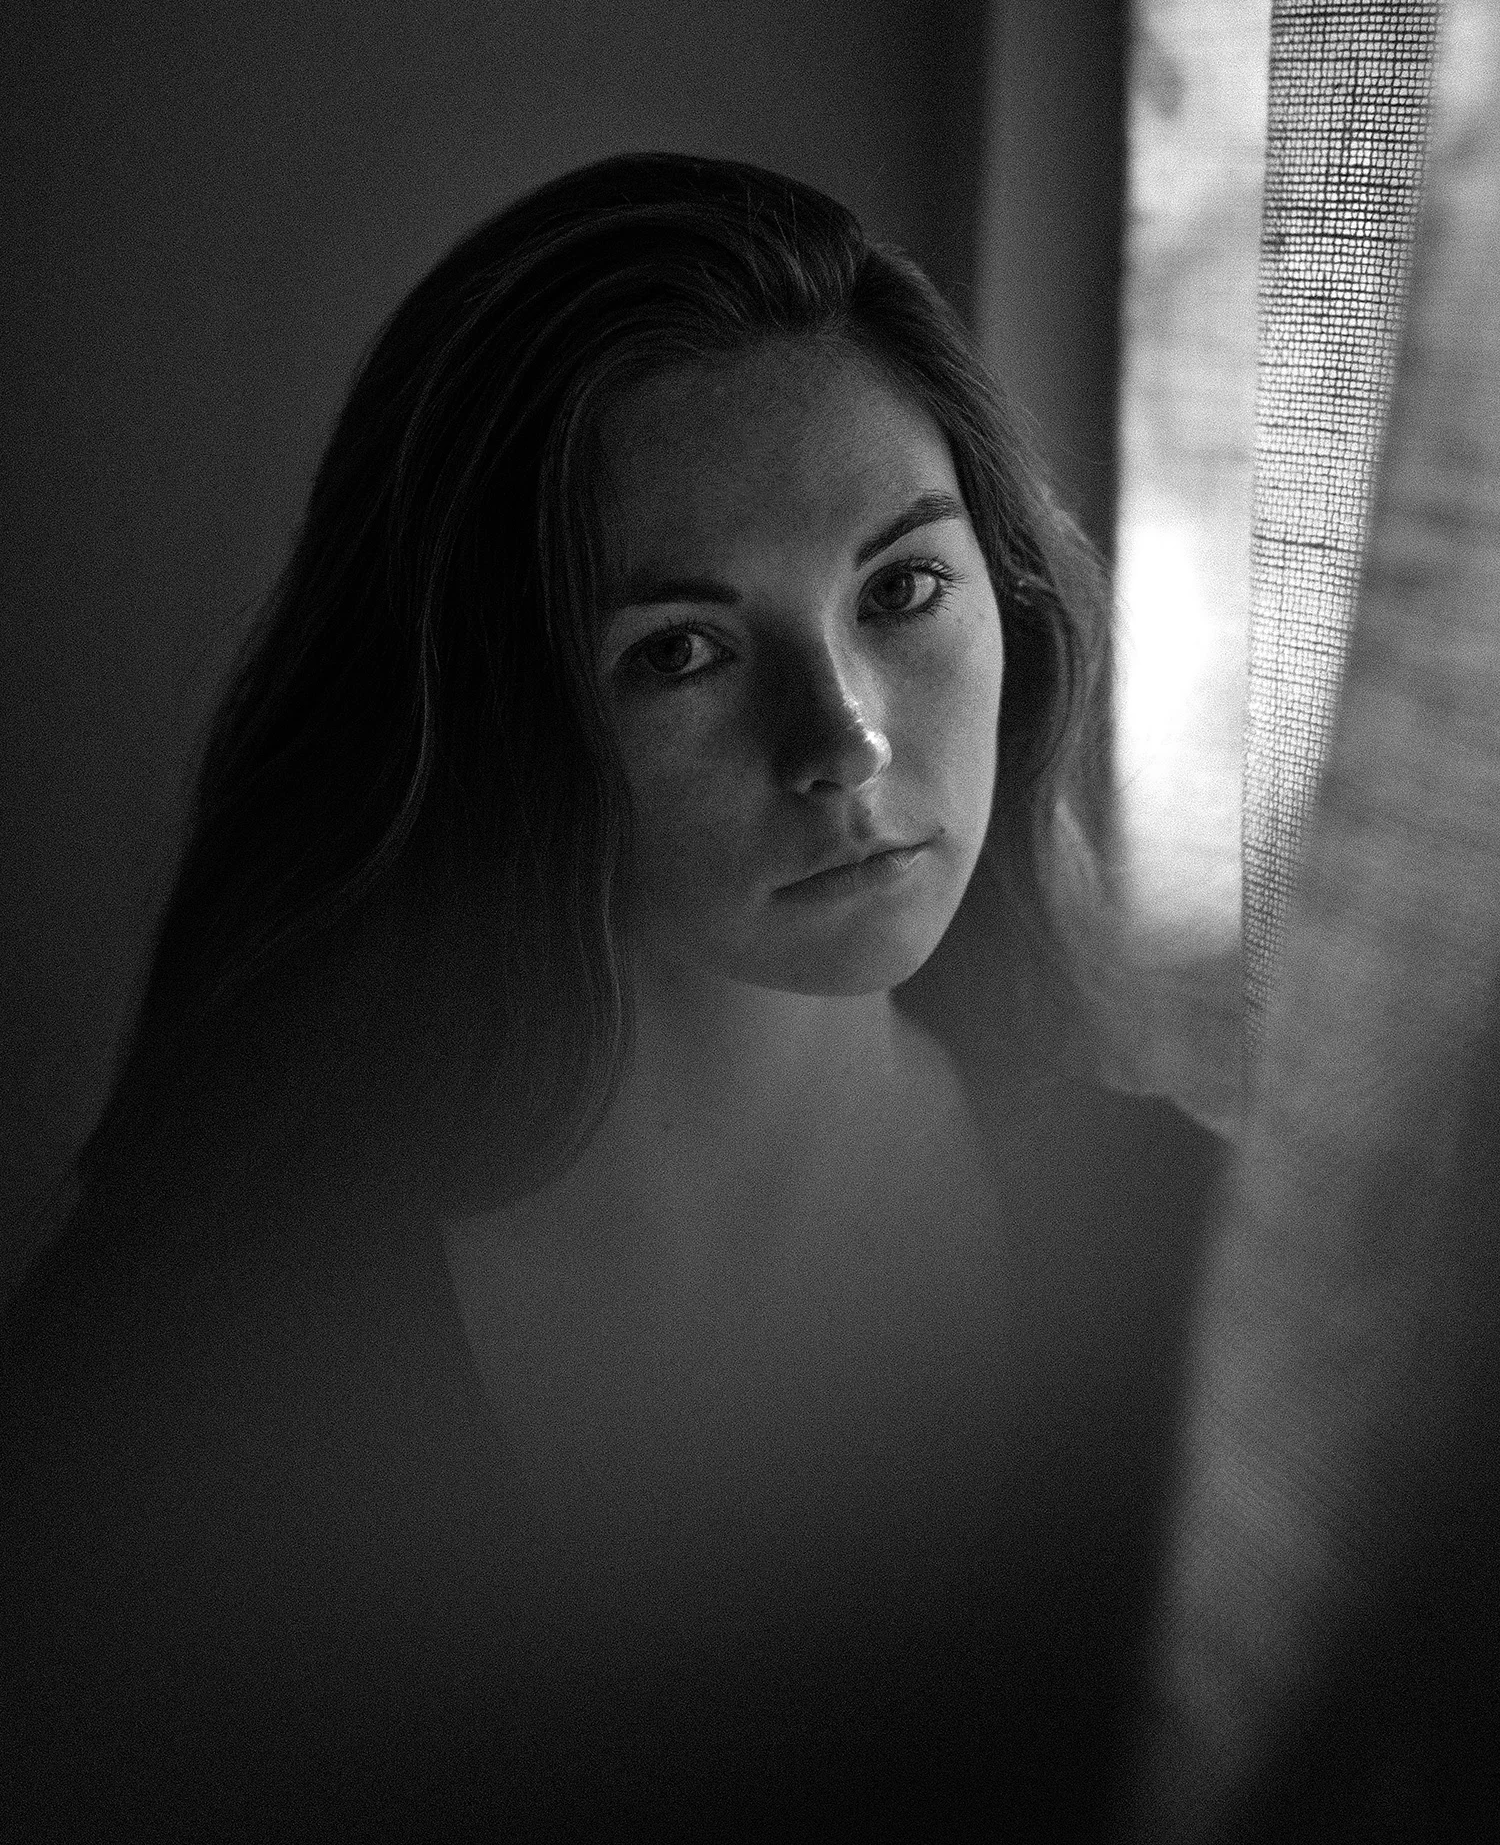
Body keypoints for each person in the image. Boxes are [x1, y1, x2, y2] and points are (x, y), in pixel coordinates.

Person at [2, 153, 1223, 1840]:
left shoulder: (1188, 1256)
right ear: (485, 722)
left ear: (1009, 593)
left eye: (901, 589)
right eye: (680, 652)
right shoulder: (200, 1371)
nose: (846, 739)